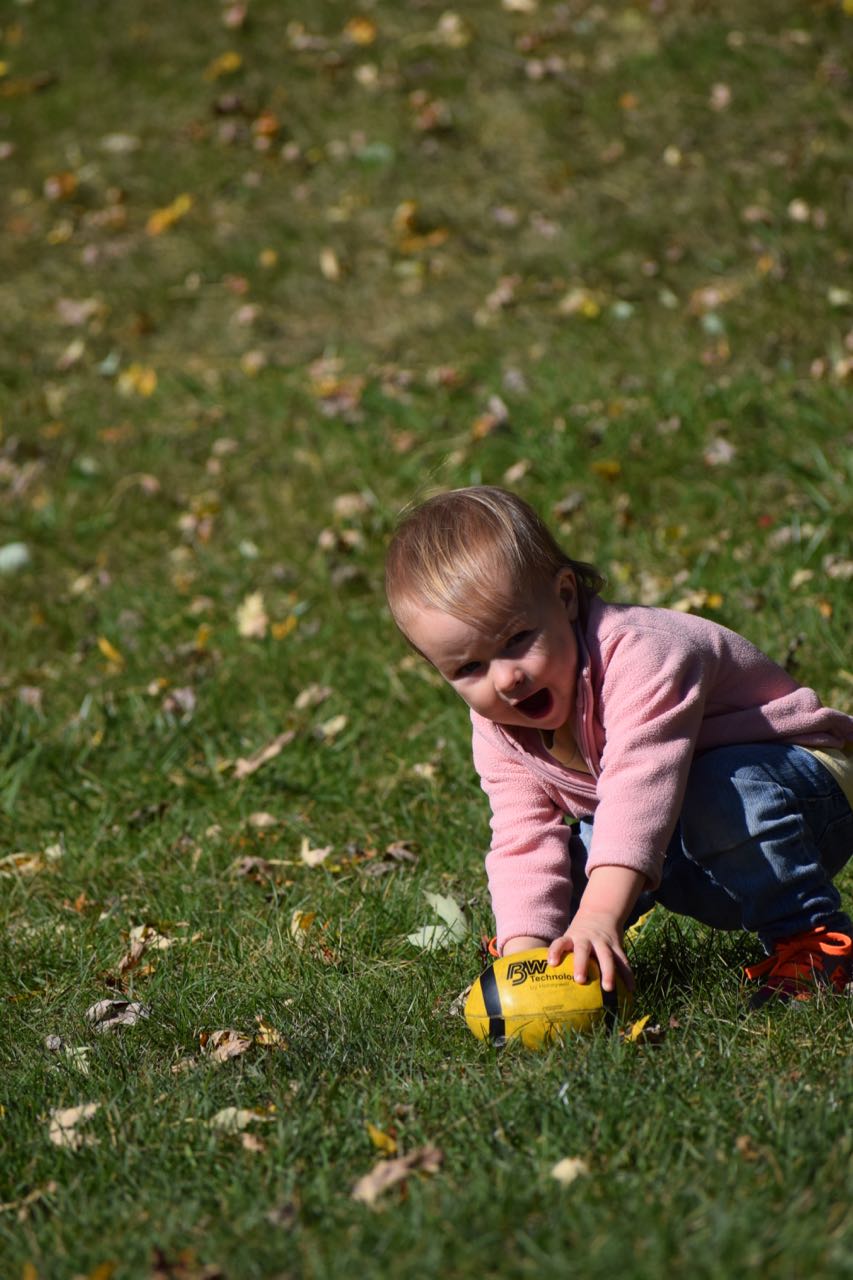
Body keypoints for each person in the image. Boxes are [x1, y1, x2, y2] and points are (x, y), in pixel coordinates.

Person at [385, 485, 853, 1008]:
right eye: (469, 669)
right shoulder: (496, 725)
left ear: (564, 597)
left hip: (802, 797)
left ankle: (813, 940)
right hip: (678, 841)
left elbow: (640, 786)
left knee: (705, 790)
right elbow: (521, 837)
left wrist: (599, 917)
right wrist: (524, 952)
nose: (506, 679)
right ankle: (563, 959)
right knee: (573, 856)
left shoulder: (641, 655)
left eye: (516, 640)